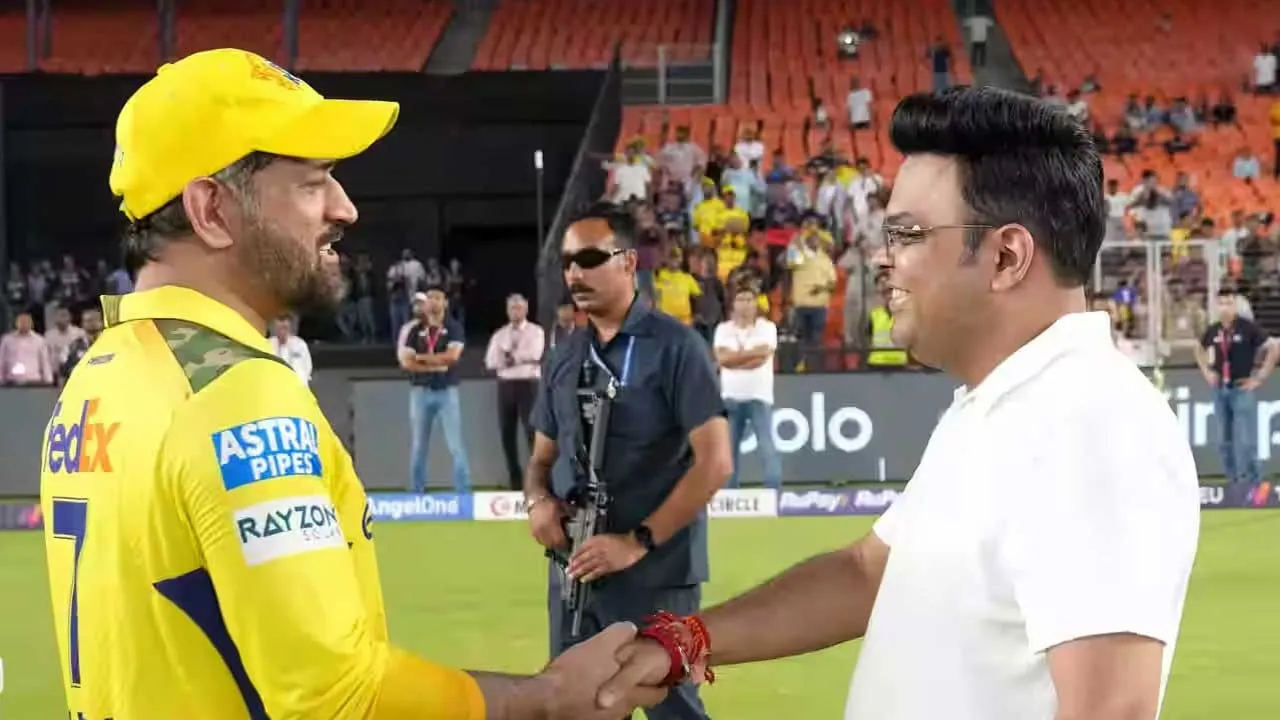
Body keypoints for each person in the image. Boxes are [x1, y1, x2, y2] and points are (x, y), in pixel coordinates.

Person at [40, 47, 664, 720]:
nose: (346, 208)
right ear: (211, 210)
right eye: (312, 183)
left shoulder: (100, 373)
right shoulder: (237, 395)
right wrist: (547, 699)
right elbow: (337, 698)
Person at [596, 87, 1202, 720]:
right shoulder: (1001, 405)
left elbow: (1110, 711)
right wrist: (683, 641)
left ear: (1006, 256)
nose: (882, 259)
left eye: (906, 234)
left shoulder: (1089, 425)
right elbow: (869, 572)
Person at [523, 202, 733, 720]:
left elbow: (715, 462)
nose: (576, 273)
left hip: (658, 575)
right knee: (574, 708)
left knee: (674, 709)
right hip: (575, 574)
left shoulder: (677, 347)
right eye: (568, 263)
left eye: (591, 258)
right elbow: (540, 460)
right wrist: (537, 503)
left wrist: (635, 543)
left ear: (629, 262)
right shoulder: (564, 356)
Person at [1195, 288, 1279, 484]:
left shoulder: (1247, 328)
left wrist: (1260, 378)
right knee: (1224, 442)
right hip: (1220, 389)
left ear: (1235, 305)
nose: (1225, 308)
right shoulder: (1213, 330)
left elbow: (1274, 347)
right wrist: (1206, 371)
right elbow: (1198, 348)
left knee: (1247, 441)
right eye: (1221, 303)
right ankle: (1233, 483)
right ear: (1217, 306)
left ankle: (1254, 482)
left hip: (1241, 387)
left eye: (1229, 303)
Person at [397, 287, 472, 493]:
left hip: (447, 391)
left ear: (445, 302)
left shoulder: (453, 328)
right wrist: (434, 365)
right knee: (418, 446)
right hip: (420, 391)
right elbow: (407, 362)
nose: (433, 302)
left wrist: (421, 358)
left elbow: (452, 357)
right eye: (429, 298)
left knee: (456, 444)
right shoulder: (416, 330)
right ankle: (417, 493)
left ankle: (463, 494)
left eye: (437, 298)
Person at [713, 282, 781, 490]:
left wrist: (735, 360)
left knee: (767, 447)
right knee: (729, 452)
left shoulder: (767, 327)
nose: (745, 304)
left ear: (756, 304)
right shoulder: (723, 329)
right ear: (733, 304)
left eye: (749, 300)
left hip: (759, 396)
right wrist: (748, 356)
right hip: (730, 397)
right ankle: (730, 496)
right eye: (740, 299)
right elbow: (722, 359)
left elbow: (762, 357)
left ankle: (773, 494)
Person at [484, 293, 545, 490]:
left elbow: (535, 354)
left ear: (526, 309)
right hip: (506, 385)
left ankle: (538, 481)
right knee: (507, 433)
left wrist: (511, 358)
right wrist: (513, 359)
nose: (515, 311)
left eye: (519, 307)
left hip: (528, 384)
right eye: (511, 308)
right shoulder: (500, 335)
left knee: (532, 433)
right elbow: (490, 361)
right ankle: (515, 482)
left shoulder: (536, 331)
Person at [268, 314, 313, 385]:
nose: (282, 331)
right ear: (275, 329)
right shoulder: (268, 344)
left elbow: (308, 365)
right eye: (279, 328)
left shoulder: (299, 344)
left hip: (297, 384)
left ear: (290, 328)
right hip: (276, 383)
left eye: (285, 328)